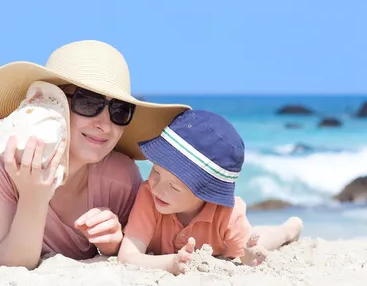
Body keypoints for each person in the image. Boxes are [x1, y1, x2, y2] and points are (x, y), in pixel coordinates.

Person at [0, 40, 190, 270]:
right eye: (89, 102)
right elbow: (10, 265)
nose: (105, 125)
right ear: (51, 102)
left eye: (119, 110)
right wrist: (34, 197)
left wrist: (113, 242)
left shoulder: (120, 177)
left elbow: (141, 248)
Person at [117, 109, 303, 275]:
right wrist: (170, 263)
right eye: (155, 171)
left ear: (206, 192)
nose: (156, 186)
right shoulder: (149, 195)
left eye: (173, 186)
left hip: (245, 235)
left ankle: (288, 230)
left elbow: (244, 259)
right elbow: (127, 256)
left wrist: (250, 255)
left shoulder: (227, 212)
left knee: (255, 241)